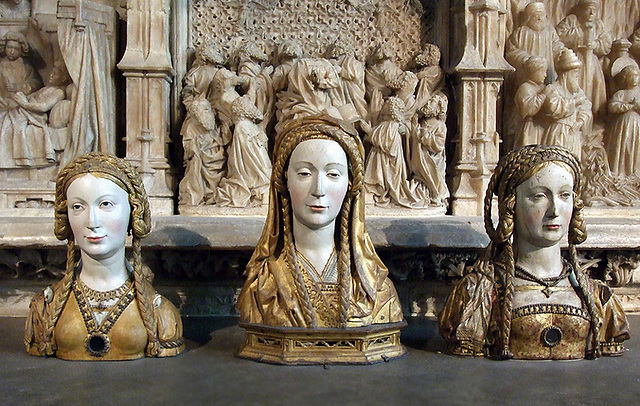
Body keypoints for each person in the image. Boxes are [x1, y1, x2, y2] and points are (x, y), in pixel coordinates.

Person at [439, 145, 629, 360]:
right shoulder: (477, 293)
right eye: (539, 196)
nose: (555, 210)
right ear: (511, 205)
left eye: (564, 195)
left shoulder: (597, 297)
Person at [237, 116, 403, 329]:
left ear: (350, 185)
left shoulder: (376, 290)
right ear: (285, 179)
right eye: (305, 173)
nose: (318, 189)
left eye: (333, 174)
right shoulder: (262, 287)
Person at [24, 152, 184, 360]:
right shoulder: (44, 310)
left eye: (105, 204)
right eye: (78, 207)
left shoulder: (161, 314)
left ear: (133, 214)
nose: (92, 221)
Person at [556, 0, 612, 117]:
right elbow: (559, 35)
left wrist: (596, 44)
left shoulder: (598, 24)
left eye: (594, 10)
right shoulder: (572, 20)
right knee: (577, 84)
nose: (591, 13)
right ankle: (575, 113)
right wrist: (581, 35)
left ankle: (594, 115)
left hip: (592, 61)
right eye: (588, 9)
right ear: (581, 10)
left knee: (595, 87)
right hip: (577, 58)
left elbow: (607, 43)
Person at [606, 65, 640, 176]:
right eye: (631, 76)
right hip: (624, 128)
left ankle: (635, 170)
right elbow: (612, 106)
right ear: (625, 78)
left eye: (636, 75)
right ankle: (622, 170)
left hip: (638, 128)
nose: (634, 78)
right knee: (629, 118)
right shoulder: (621, 94)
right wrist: (629, 107)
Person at [513, 56, 547, 148]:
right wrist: (543, 95)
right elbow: (529, 110)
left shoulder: (542, 87)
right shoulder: (525, 88)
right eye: (543, 71)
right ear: (534, 71)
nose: (545, 75)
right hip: (530, 129)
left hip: (542, 127)